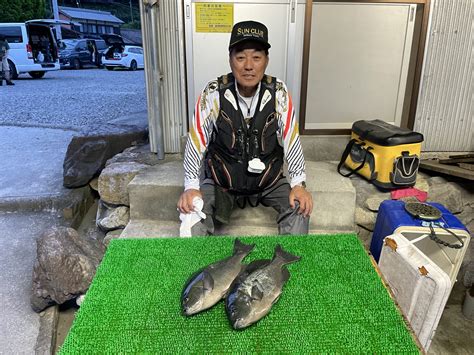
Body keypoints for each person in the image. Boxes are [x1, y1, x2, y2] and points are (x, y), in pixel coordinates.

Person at [177, 20, 313, 236]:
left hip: (269, 180)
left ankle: (287, 264)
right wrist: (191, 186)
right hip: (222, 180)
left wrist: (298, 183)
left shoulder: (278, 91)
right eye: (240, 57)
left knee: (300, 207)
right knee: (191, 213)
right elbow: (196, 142)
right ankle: (202, 269)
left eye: (256, 57)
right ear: (230, 60)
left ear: (266, 61)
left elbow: (291, 139)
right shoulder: (213, 92)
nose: (248, 65)